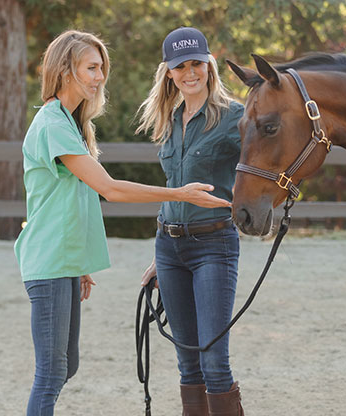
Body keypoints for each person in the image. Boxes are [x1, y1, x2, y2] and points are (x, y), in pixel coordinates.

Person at [14, 30, 230, 416]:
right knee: (50, 374)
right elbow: (109, 189)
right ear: (66, 70)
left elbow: (74, 202)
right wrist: (180, 194)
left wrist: (79, 263)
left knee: (67, 366)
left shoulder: (71, 122)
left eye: (101, 69)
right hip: (47, 261)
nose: (100, 78)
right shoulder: (52, 124)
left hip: (63, 260)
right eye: (92, 68)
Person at [135, 27, 246, 416]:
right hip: (169, 248)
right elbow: (171, 188)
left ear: (209, 65)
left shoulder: (235, 117)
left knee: (214, 359)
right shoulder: (169, 119)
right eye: (180, 66)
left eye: (196, 63)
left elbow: (269, 156)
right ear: (168, 72)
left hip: (214, 245)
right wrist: (157, 254)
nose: (189, 72)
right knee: (187, 363)